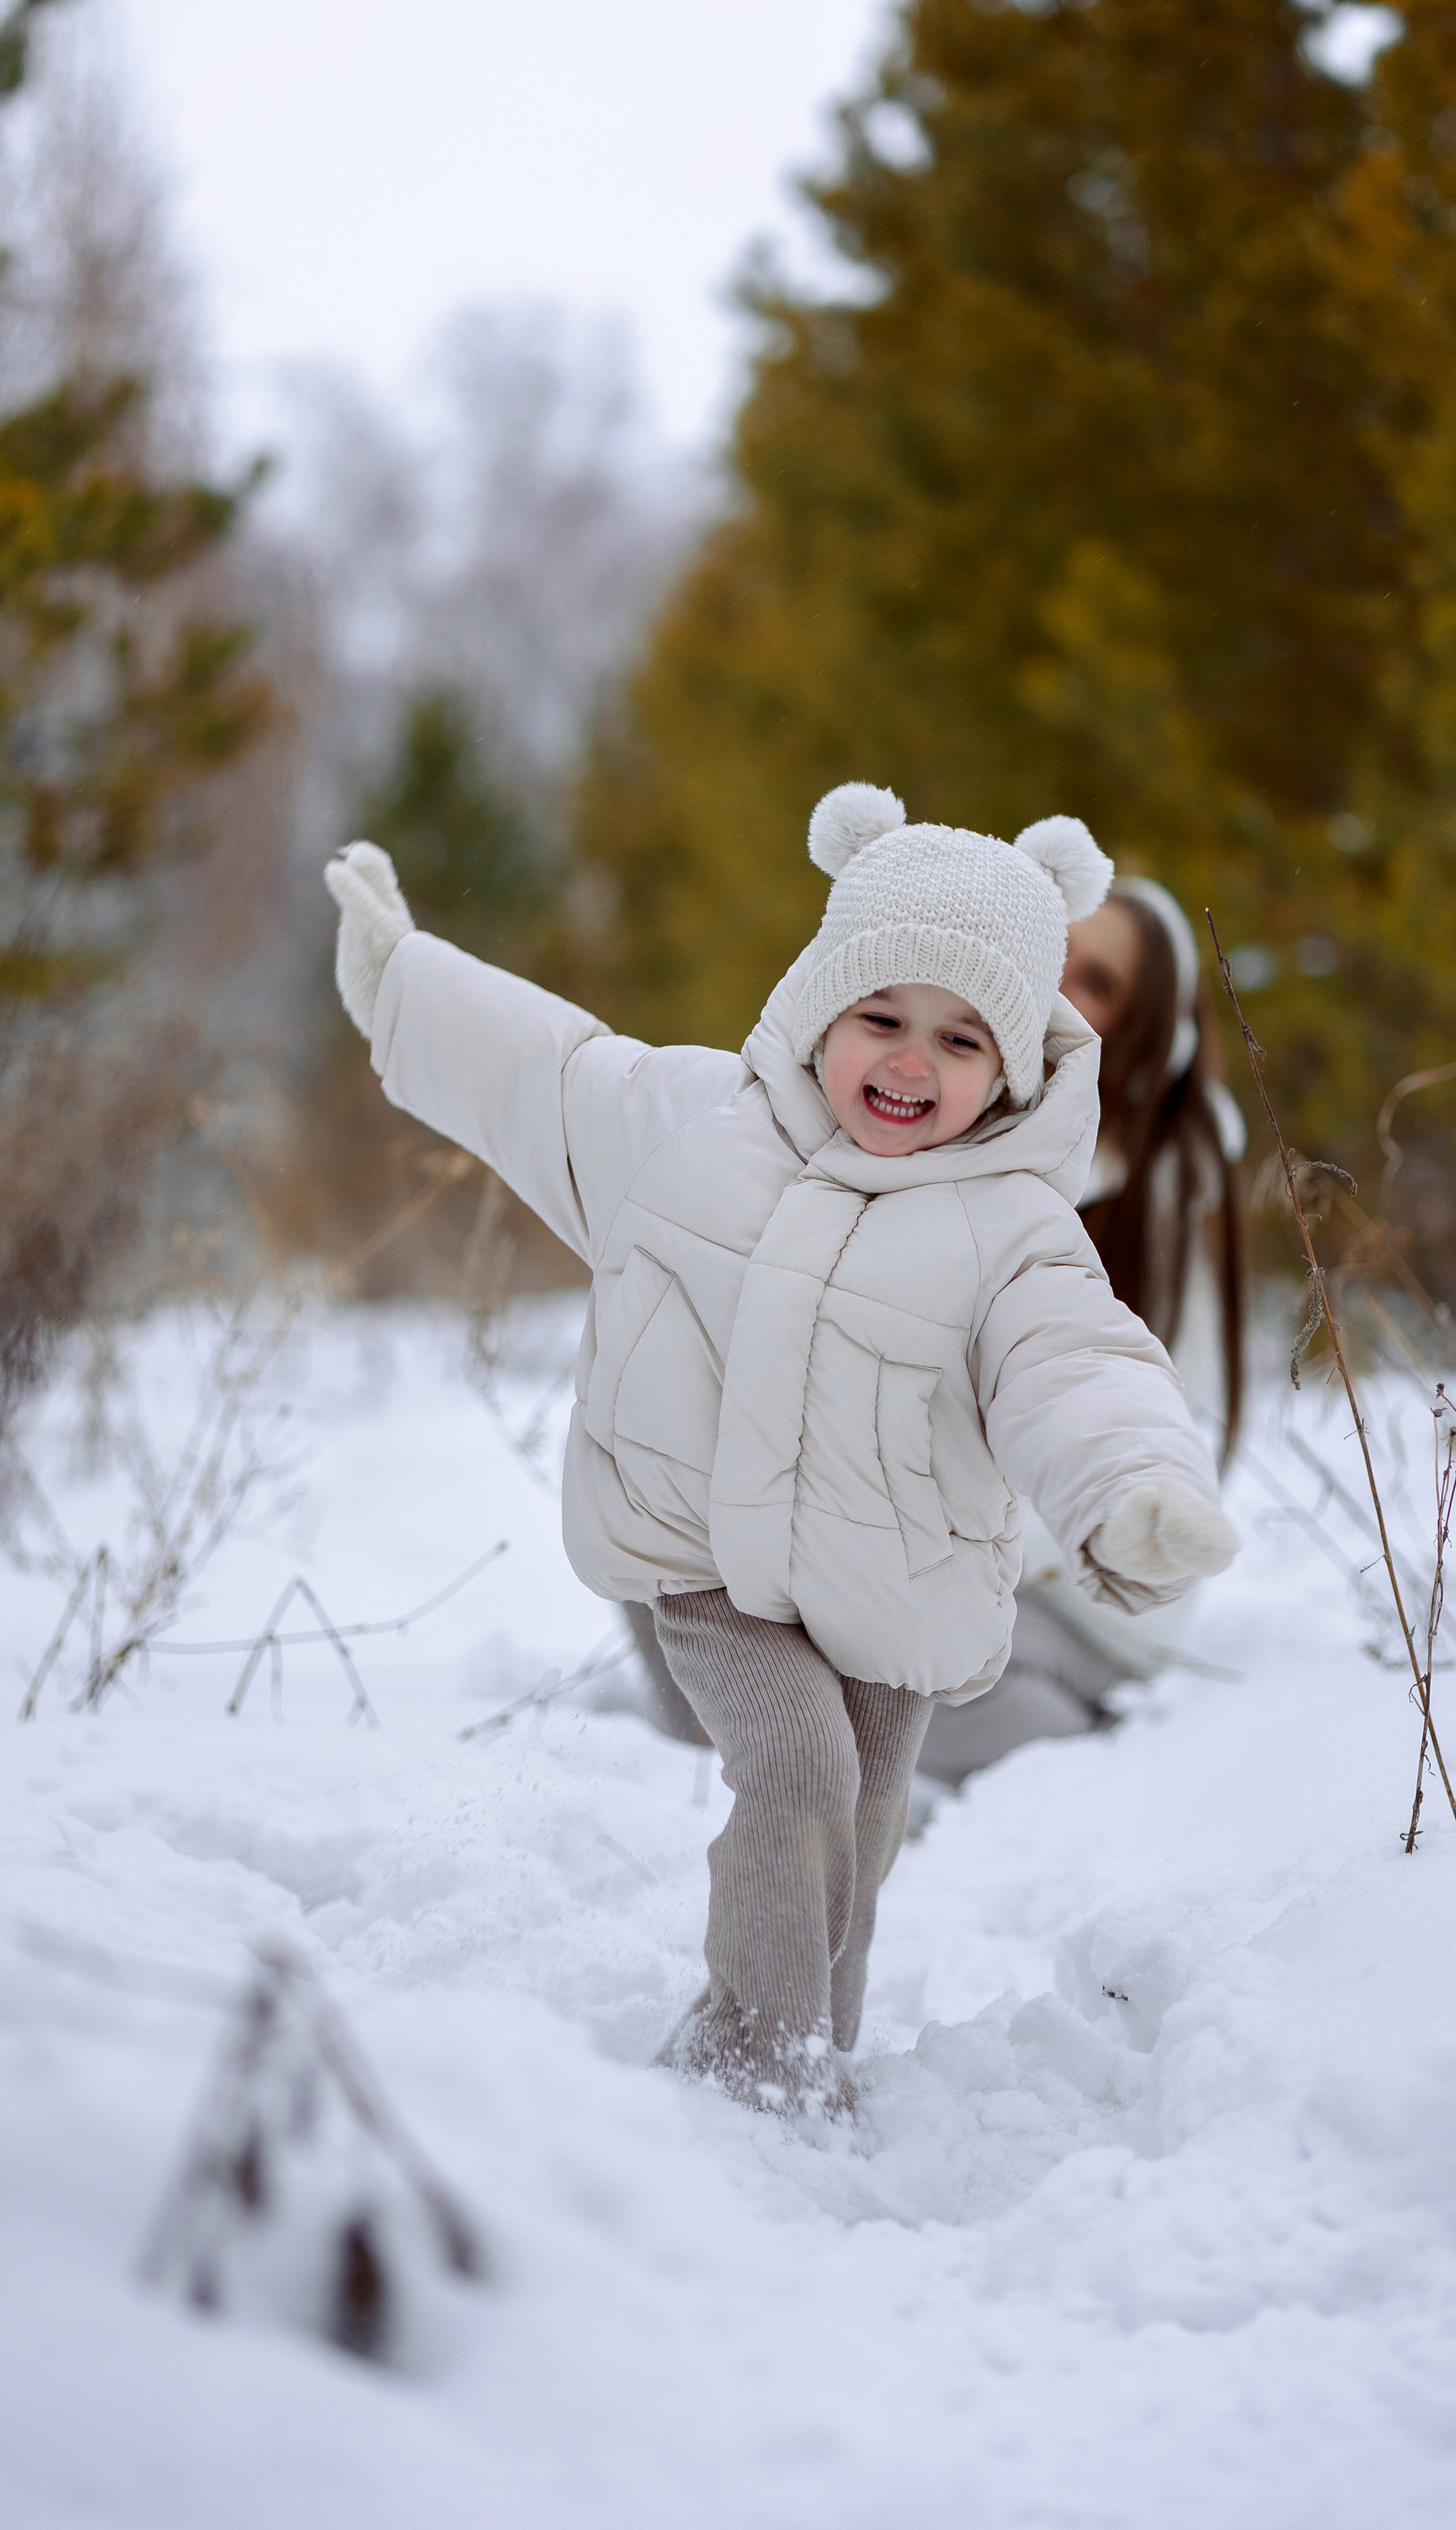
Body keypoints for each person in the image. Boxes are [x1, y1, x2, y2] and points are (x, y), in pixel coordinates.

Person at [324, 784, 1236, 2115]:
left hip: (892, 1582)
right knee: (800, 1770)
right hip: (708, 1563)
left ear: (1020, 1063)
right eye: (881, 1015)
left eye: (962, 1035)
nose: (910, 1060)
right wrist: (404, 979)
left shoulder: (1014, 1229)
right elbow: (546, 1070)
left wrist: (1132, 1494)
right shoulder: (694, 1122)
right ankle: (749, 2062)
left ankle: (816, 2059)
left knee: (858, 1827)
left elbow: (1079, 1368)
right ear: (822, 1004)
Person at [914, 873, 1248, 1783]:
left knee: (896, 1674)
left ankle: (1073, 1756)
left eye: (1094, 982)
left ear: (1145, 1042)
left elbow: (1142, 1432)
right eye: (1048, 957)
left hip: (1074, 1591)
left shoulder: (1159, 1200)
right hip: (928, 1563)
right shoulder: (941, 1121)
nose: (1055, 991)